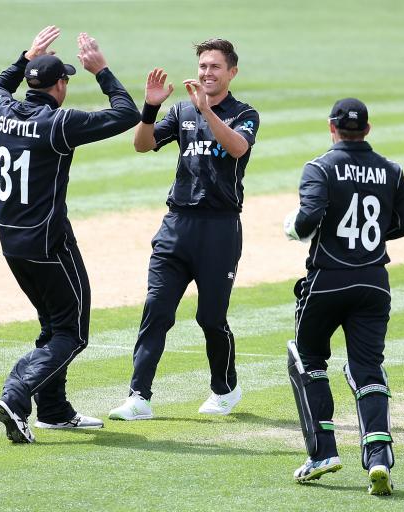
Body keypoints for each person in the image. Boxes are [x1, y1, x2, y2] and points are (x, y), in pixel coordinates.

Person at [0, 26, 140, 443]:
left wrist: (25, 58)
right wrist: (102, 70)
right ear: (60, 86)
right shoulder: (58, 124)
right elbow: (127, 114)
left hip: (11, 241)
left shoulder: (2, 111)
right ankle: (17, 396)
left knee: (53, 325)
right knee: (72, 333)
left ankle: (53, 410)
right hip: (50, 243)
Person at [108, 39, 260, 420]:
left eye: (215, 67)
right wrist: (151, 107)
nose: (207, 73)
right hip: (177, 226)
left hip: (220, 230)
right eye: (203, 66)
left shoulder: (245, 113)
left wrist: (208, 112)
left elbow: (238, 148)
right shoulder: (180, 111)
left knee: (210, 318)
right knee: (156, 310)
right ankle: (138, 397)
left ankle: (225, 389)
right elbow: (142, 145)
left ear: (232, 73)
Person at [283, 98, 404, 494]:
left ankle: (323, 452)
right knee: (367, 368)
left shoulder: (320, 167)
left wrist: (294, 228)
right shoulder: (391, 170)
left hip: (328, 279)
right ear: (368, 129)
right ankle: (378, 456)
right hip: (374, 281)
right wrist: (369, 239)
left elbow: (308, 219)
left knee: (307, 359)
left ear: (332, 127)